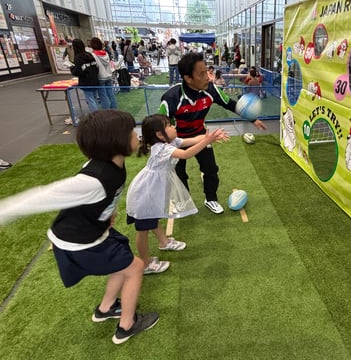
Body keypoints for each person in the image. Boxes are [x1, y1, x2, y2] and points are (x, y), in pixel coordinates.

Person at [0, 110, 159, 344]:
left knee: (124, 259)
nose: (136, 135)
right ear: (115, 141)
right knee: (135, 268)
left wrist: (108, 213)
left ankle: (105, 309)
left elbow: (107, 196)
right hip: (79, 241)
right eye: (130, 132)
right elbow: (43, 196)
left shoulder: (114, 162)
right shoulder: (92, 179)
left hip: (94, 230)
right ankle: (127, 326)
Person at [159, 52, 267, 214]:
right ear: (188, 78)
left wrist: (252, 119)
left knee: (211, 169)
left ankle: (211, 199)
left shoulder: (211, 89)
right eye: (201, 74)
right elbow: (160, 125)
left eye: (207, 72)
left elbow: (230, 104)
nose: (208, 77)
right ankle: (184, 200)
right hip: (177, 141)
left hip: (202, 136)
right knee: (179, 172)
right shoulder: (171, 97)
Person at [126, 114, 229, 274]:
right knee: (143, 229)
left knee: (152, 219)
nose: (174, 127)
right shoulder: (161, 148)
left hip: (153, 190)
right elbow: (186, 154)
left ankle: (164, 242)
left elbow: (191, 140)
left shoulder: (170, 142)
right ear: (160, 134)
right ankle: (145, 264)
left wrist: (210, 137)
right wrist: (207, 141)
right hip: (146, 193)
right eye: (169, 125)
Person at [69, 38, 99, 114]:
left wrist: (72, 68)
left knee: (90, 100)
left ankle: (95, 116)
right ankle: (97, 114)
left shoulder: (78, 57)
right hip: (95, 79)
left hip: (86, 81)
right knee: (94, 98)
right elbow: (96, 67)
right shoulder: (89, 55)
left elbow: (78, 71)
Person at [90, 37, 116, 109]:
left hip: (100, 77)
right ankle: (114, 109)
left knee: (103, 96)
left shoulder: (93, 55)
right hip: (109, 75)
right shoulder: (106, 53)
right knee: (111, 93)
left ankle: (107, 111)